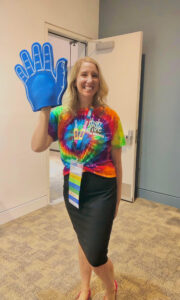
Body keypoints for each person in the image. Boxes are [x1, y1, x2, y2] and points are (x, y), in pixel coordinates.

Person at [31, 56, 126, 300]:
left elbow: (118, 163)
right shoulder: (61, 114)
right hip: (72, 185)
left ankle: (109, 287)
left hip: (103, 189)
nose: (89, 80)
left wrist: (116, 201)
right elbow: (37, 145)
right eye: (84, 74)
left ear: (99, 81)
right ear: (74, 80)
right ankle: (85, 288)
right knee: (83, 239)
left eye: (94, 75)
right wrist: (44, 110)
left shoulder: (110, 117)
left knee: (96, 253)